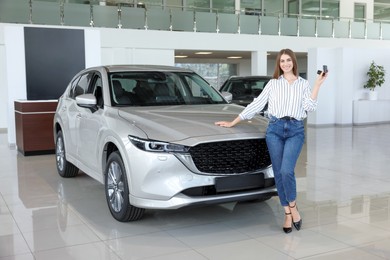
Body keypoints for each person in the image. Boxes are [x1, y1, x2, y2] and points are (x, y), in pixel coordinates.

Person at [215, 49, 328, 233]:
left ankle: (292, 207)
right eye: (282, 61)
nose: (285, 64)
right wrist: (233, 121)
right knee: (278, 172)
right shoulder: (273, 84)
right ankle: (287, 213)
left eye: (288, 60)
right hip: (274, 129)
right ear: (279, 64)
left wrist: (317, 84)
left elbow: (309, 107)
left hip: (295, 130)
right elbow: (257, 104)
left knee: (286, 171)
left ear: (293, 63)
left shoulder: (303, 84)